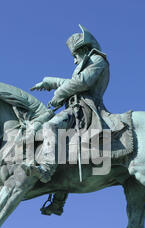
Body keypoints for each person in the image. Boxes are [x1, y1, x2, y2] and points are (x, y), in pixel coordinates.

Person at [25, 24, 112, 216]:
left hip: (86, 109)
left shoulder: (98, 60)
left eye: (75, 56)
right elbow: (74, 80)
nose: (74, 61)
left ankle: (47, 169)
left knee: (51, 126)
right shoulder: (88, 63)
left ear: (82, 50)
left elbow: (82, 82)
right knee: (63, 148)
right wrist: (49, 82)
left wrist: (58, 94)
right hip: (77, 106)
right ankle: (58, 201)